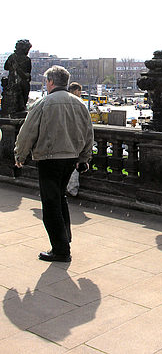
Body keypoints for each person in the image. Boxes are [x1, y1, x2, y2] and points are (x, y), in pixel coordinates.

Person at [14, 66, 94, 262]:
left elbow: (27, 133)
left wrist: (20, 155)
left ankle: (60, 249)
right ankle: (65, 238)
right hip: (70, 158)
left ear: (50, 82)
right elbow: (88, 134)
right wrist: (84, 158)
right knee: (60, 197)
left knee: (50, 204)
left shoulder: (42, 103)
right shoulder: (80, 104)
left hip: (49, 158)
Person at [67, 82, 83, 197]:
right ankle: (72, 188)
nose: (80, 94)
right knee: (73, 164)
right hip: (73, 139)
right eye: (79, 91)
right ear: (75, 91)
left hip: (62, 139)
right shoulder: (78, 104)